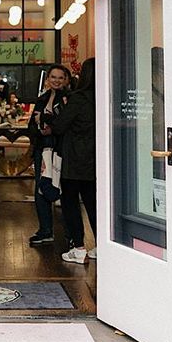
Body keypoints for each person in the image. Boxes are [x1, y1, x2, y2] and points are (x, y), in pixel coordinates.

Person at [50, 58, 98, 264]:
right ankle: (101, 245)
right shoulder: (105, 97)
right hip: (96, 158)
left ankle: (78, 248)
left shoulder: (78, 99)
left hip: (74, 158)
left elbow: (59, 126)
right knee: (93, 203)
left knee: (70, 203)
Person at [26, 64, 71, 246]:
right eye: (53, 77)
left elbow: (65, 122)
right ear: (48, 79)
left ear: (66, 80)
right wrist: (40, 128)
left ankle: (71, 235)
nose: (56, 81)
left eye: (60, 77)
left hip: (61, 150)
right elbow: (31, 125)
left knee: (64, 189)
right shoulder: (42, 98)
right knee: (41, 188)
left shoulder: (69, 98)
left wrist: (45, 120)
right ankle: (45, 230)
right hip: (42, 149)